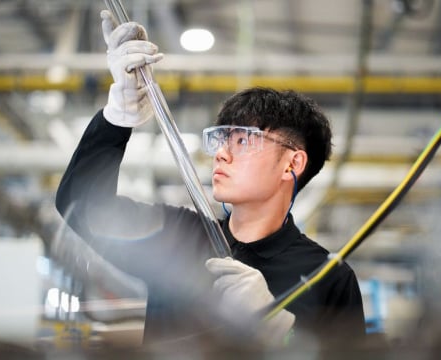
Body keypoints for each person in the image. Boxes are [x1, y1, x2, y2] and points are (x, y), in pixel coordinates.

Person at [55, 10, 365, 348]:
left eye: (243, 140)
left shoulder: (328, 278)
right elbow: (79, 205)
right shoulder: (177, 239)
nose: (221, 153)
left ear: (293, 163)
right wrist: (117, 117)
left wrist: (279, 329)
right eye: (222, 139)